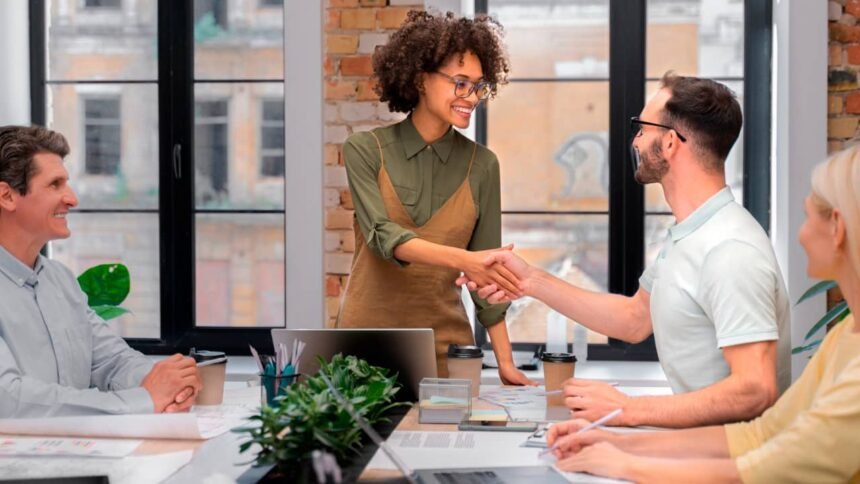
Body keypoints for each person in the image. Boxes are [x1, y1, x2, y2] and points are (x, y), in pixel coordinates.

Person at [460, 74, 791, 427]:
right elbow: (635, 319)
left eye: (642, 127)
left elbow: (755, 389)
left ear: (669, 144)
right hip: (698, 451)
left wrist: (628, 409)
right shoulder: (690, 233)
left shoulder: (730, 250)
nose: (635, 140)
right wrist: (530, 280)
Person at [546, 146, 860, 483]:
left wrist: (624, 462)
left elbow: (772, 468)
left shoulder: (731, 250)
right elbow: (759, 436)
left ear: (837, 228)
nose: (800, 234)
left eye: (808, 216)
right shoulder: (845, 336)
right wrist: (617, 443)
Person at [338, 11, 532, 384]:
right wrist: (466, 261)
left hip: (448, 353)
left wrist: (506, 363)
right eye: (460, 83)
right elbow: (383, 236)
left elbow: (487, 277)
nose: (471, 97)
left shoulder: (483, 165)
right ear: (420, 78)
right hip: (362, 348)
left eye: (478, 85)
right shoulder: (365, 150)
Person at [0, 125, 201, 418]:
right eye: (55, 185)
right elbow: (9, 399)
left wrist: (169, 383)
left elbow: (112, 361)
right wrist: (145, 399)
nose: (71, 199)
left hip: (78, 452)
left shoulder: (61, 281)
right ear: (7, 196)